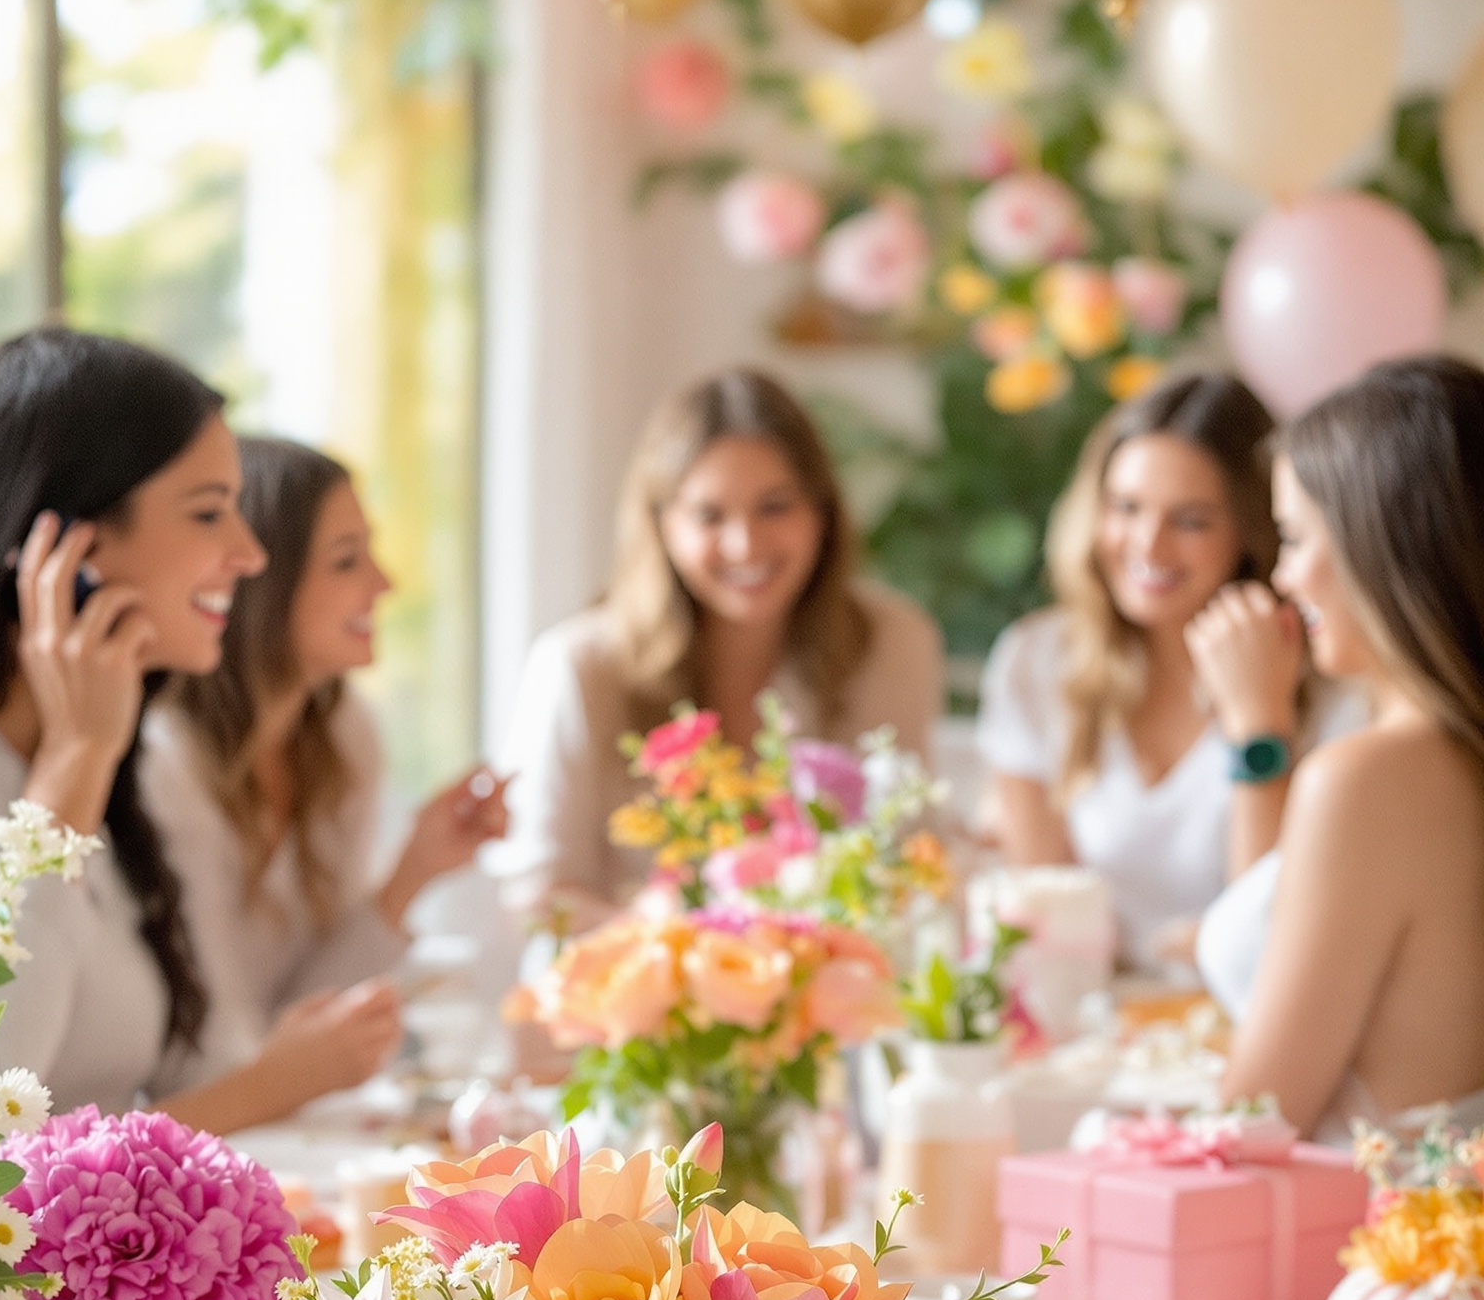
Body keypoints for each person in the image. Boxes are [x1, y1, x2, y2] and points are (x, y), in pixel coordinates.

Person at [0, 326, 404, 1122]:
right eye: (208, 513)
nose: (248, 555)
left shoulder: (113, 763)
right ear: (63, 541)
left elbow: (191, 1070)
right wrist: (74, 764)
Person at [497, 366, 944, 922]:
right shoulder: (579, 665)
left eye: (775, 507)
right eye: (709, 515)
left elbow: (902, 860)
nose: (744, 544)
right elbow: (535, 895)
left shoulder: (892, 643)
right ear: (662, 524)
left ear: (822, 513)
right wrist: (695, 952)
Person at [141, 435, 507, 1090]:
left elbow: (306, 1018)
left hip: (283, 1115)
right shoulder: (167, 766)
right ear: (260, 581)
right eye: (347, 562)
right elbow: (216, 1057)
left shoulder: (343, 738)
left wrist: (415, 870)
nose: (383, 583)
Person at [977, 371, 1361, 973]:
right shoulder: (1035, 661)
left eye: (1192, 520)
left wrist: (1259, 723)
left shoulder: (1331, 685)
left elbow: (1266, 947)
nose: (1148, 547)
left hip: (1253, 1023)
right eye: (1126, 508)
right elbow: (1046, 918)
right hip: (1095, 1013)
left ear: (1250, 533)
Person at [1198, 355, 1484, 1143]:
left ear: (1378, 545)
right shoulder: (1444, 759)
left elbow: (1254, 1122)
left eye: (1293, 538)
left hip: (1378, 1243)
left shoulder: (1369, 778)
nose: (1284, 577)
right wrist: (1257, 724)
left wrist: (1255, 732)